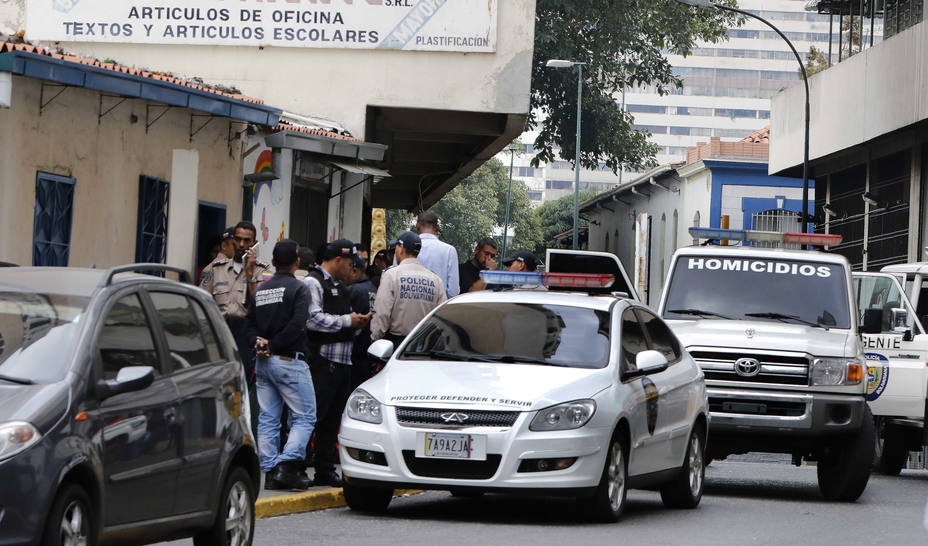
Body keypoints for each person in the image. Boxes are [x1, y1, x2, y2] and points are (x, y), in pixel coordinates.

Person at [245, 239, 315, 490]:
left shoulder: (261, 289)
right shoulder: (299, 289)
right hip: (288, 361)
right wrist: (273, 345)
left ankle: (271, 471)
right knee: (305, 417)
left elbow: (249, 324)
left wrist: (260, 344)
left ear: (273, 263)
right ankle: (286, 465)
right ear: (297, 261)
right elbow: (297, 325)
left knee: (268, 418)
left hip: (263, 362)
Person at [304, 239, 370, 487]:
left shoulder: (341, 288)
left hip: (343, 361)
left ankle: (324, 468)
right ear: (338, 260)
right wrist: (347, 321)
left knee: (333, 419)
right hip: (322, 361)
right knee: (315, 417)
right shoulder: (313, 282)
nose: (353, 269)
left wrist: (358, 323)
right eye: (350, 263)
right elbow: (312, 319)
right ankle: (297, 465)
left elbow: (344, 319)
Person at [371, 231, 447, 347]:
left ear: (400, 248)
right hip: (425, 345)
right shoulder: (435, 279)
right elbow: (441, 317)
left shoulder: (391, 275)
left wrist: (375, 340)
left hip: (396, 344)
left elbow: (382, 313)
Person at [415, 211, 460, 298]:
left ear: (417, 225)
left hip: (409, 307)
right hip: (438, 308)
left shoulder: (404, 248)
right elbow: (453, 292)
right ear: (437, 227)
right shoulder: (449, 250)